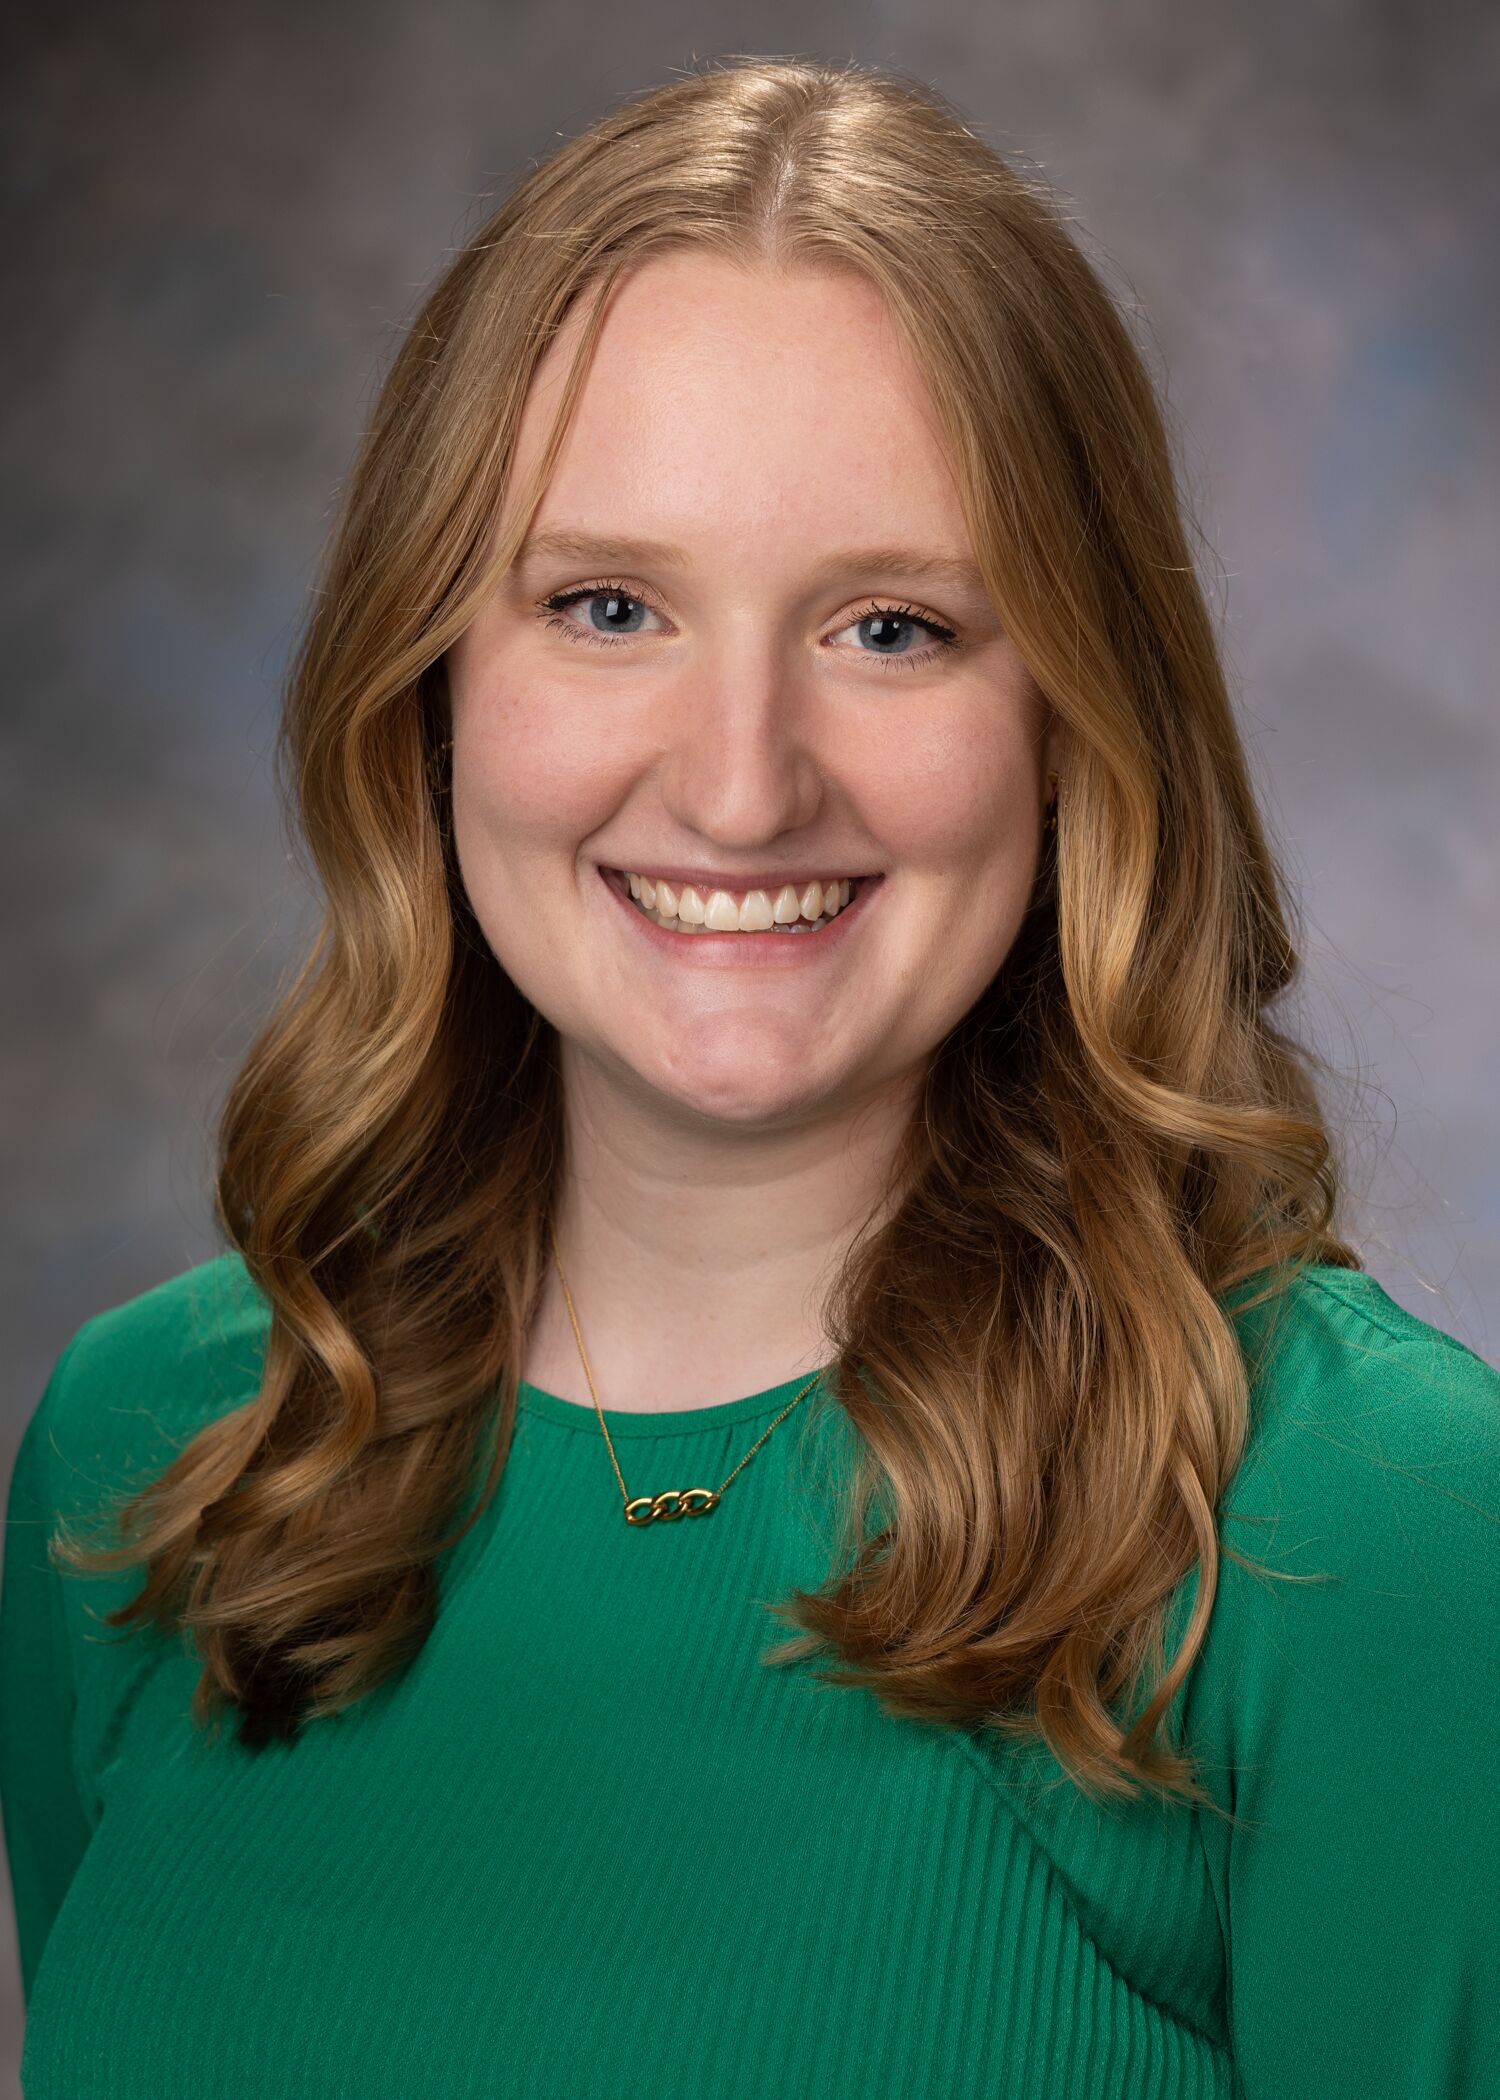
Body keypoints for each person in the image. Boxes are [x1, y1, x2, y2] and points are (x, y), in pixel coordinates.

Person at [3, 54, 1497, 2100]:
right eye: (606, 606)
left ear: (1076, 722)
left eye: (891, 629)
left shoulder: (1369, 1530)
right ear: (430, 685)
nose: (735, 781)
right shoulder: (159, 1467)